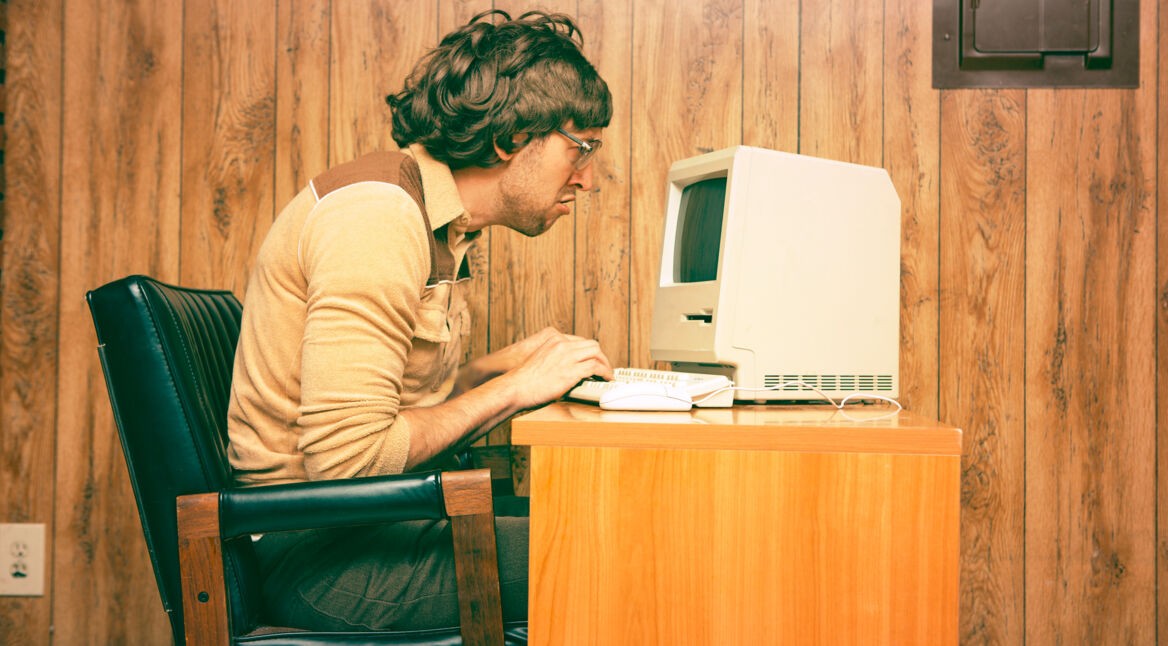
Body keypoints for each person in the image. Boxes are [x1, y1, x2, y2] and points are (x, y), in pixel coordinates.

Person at [224, 10, 614, 631]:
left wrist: (495, 370)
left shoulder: (436, 221)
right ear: (511, 138)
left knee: (603, 523)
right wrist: (514, 389)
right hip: (320, 554)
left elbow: (397, 407)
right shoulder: (378, 218)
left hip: (367, 526)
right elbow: (349, 461)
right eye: (581, 147)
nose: (587, 178)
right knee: (613, 549)